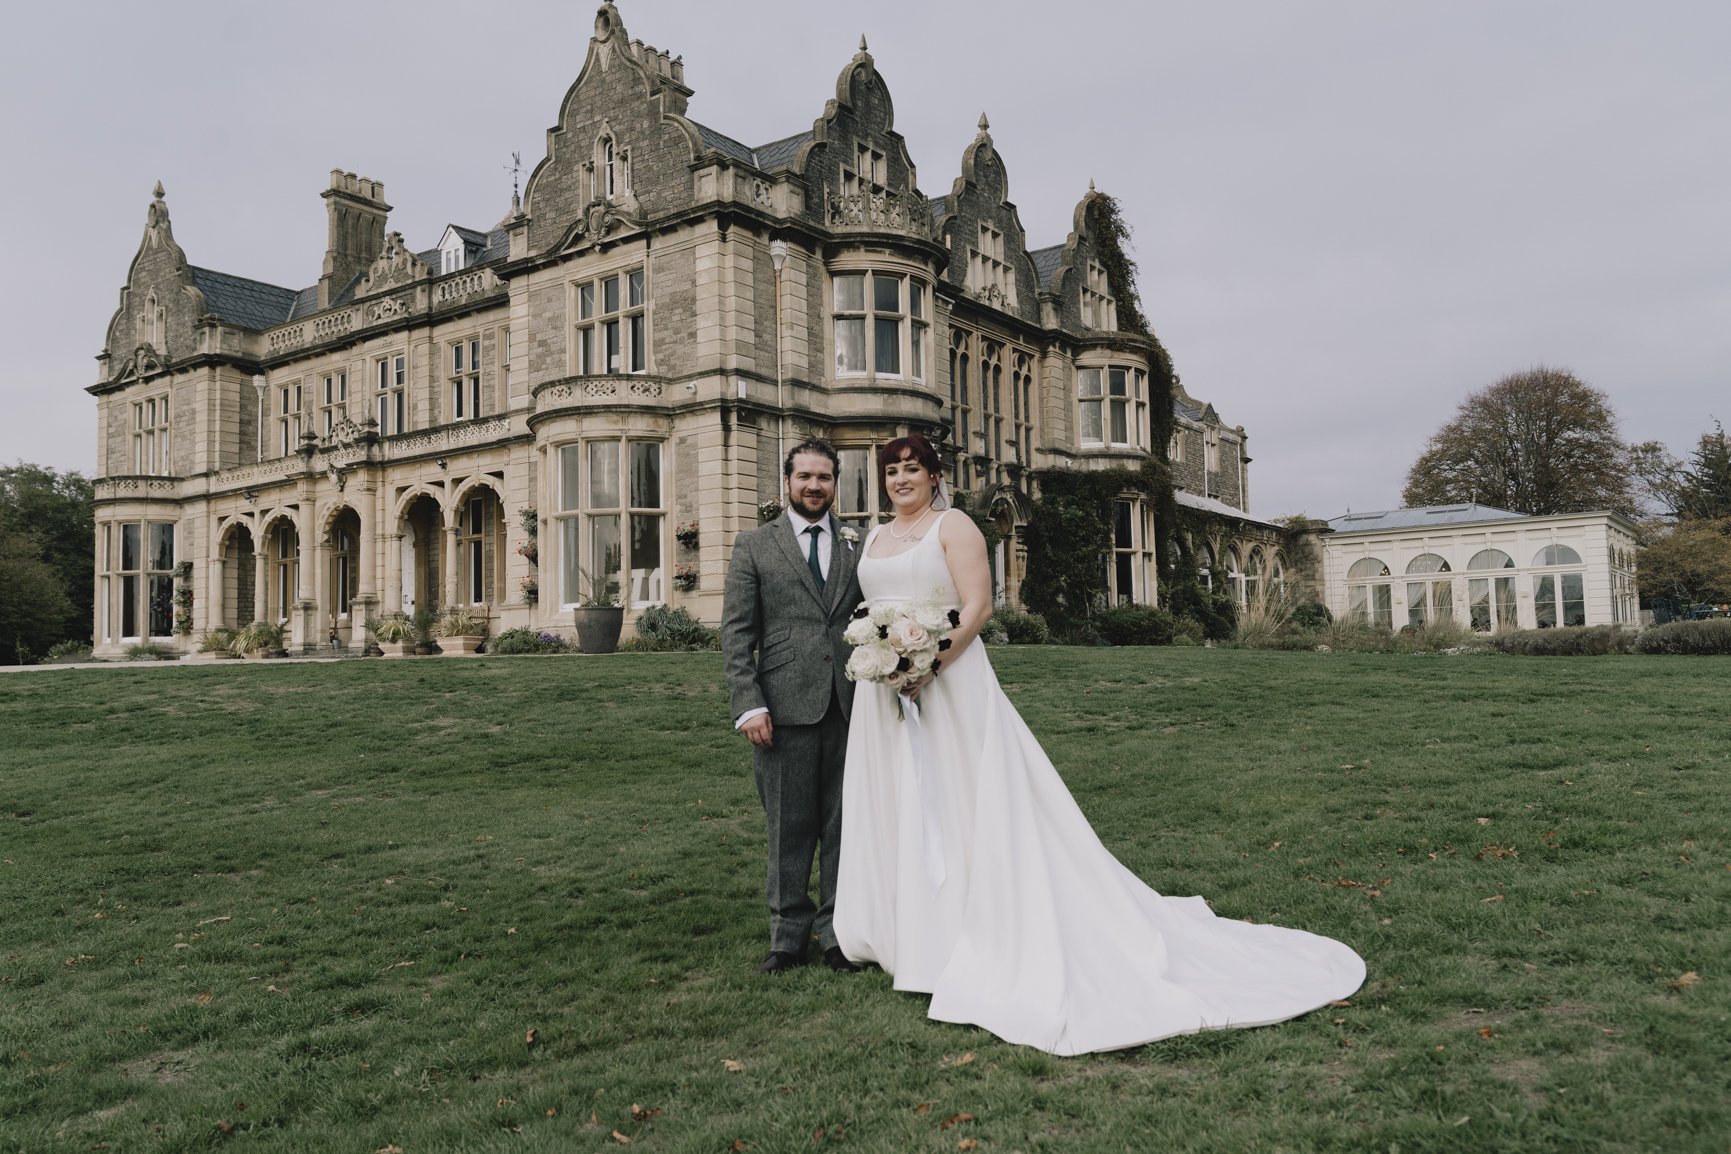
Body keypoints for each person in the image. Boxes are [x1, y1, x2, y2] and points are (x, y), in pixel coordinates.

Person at [832, 435, 1366, 1054]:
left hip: (949, 685)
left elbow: (977, 606)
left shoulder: (953, 526)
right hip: (884, 691)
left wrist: (930, 661)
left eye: (912, 470)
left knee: (963, 799)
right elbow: (870, 606)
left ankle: (967, 931)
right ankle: (904, 934)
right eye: (892, 471)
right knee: (895, 799)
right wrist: (884, 658)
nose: (901, 480)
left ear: (934, 476)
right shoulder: (871, 537)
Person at [721, 438, 866, 974]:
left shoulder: (859, 544)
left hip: (853, 704)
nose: (813, 485)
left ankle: (837, 935)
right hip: (781, 709)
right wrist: (748, 704)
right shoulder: (755, 545)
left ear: (835, 484)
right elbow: (737, 634)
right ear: (787, 482)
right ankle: (786, 938)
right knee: (788, 825)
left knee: (844, 824)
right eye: (804, 476)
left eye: (823, 477)